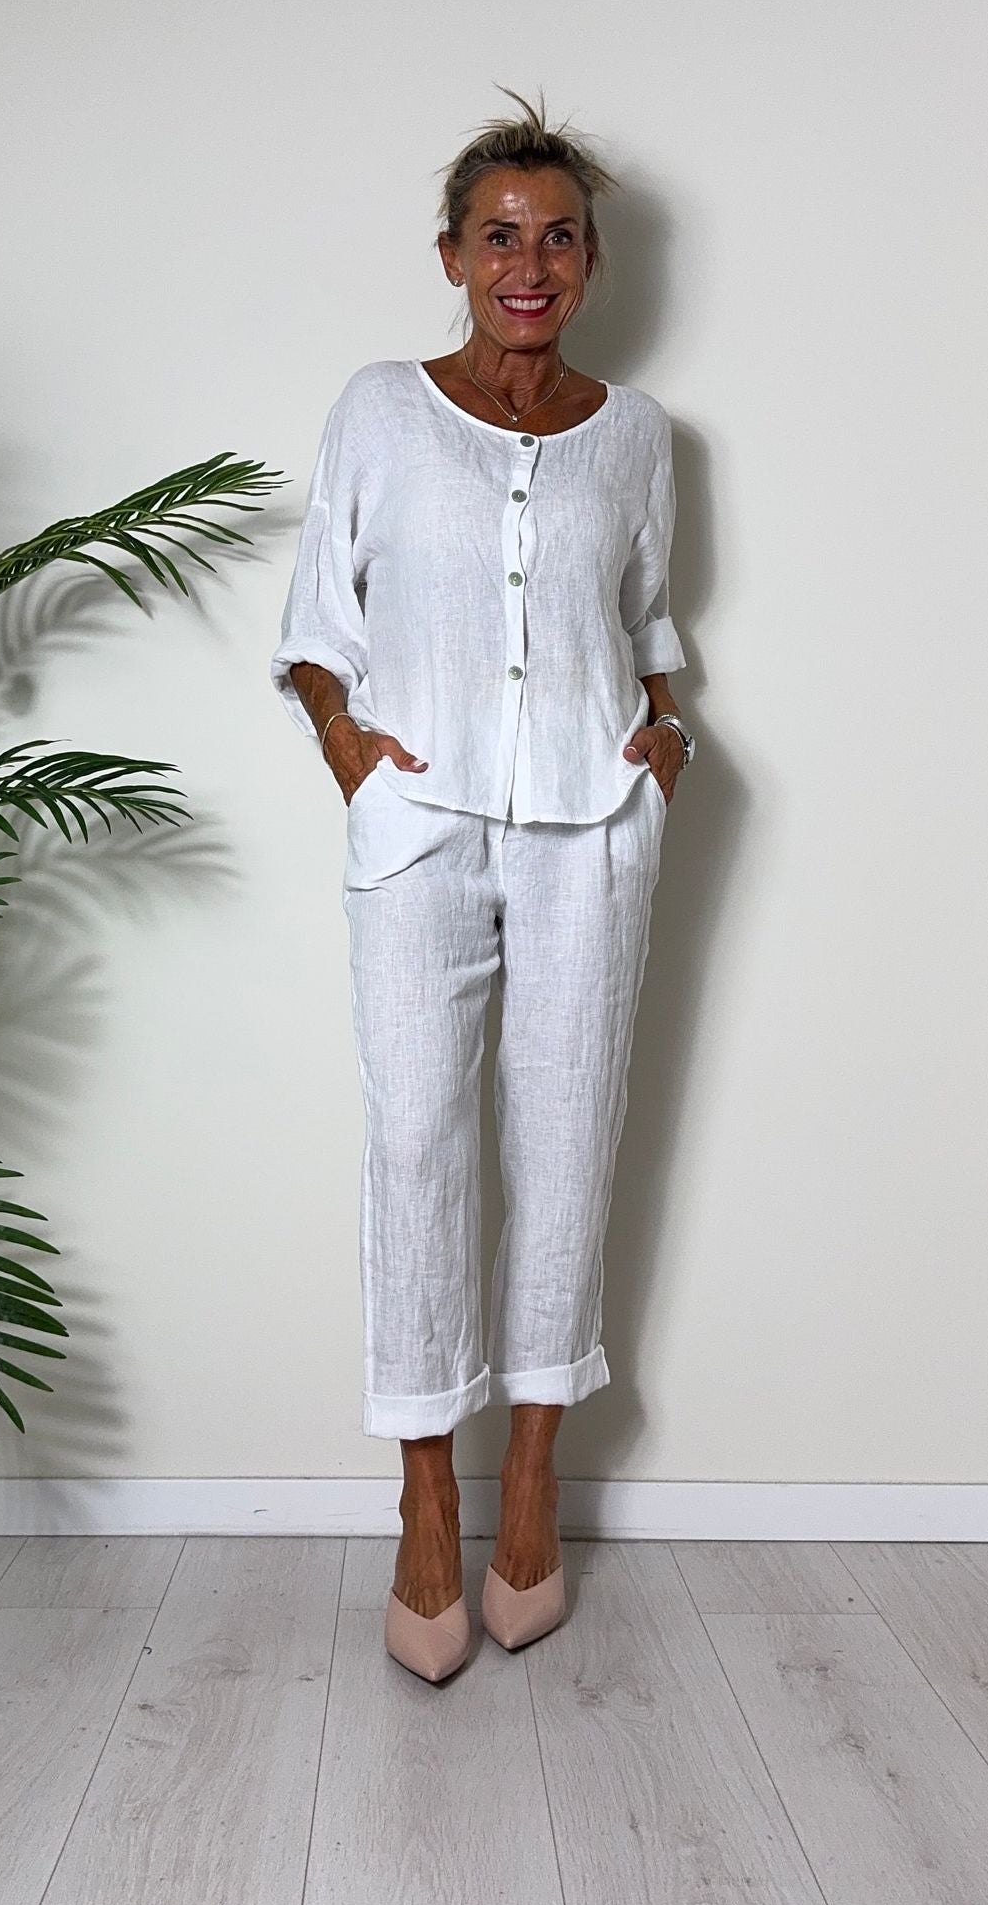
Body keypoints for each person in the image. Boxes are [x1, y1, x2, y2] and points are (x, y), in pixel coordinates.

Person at [269, 93, 693, 1683]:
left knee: (572, 1135)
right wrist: (347, 748)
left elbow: (649, 620)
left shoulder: (638, 436)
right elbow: (317, 626)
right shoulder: (381, 409)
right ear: (451, 254)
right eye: (499, 235)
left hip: (593, 824)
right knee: (419, 1144)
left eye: (558, 236)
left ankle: (532, 1481)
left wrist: (664, 737)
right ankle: (426, 1498)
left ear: (592, 262)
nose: (530, 264)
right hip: (420, 825)